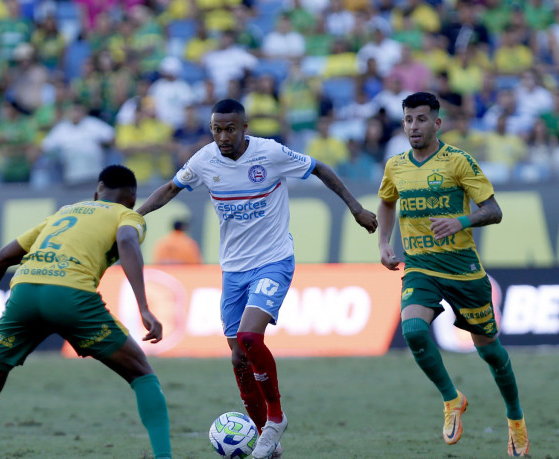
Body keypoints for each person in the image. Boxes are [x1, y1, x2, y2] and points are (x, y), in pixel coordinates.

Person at [137, 99, 377, 459]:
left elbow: (320, 169)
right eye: (216, 129)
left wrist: (356, 208)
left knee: (250, 336)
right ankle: (270, 441)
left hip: (273, 260)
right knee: (237, 358)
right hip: (233, 269)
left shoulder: (270, 153)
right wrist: (135, 217)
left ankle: (275, 419)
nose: (222, 136)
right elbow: (170, 189)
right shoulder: (204, 160)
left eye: (230, 128)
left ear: (245, 127)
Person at [0, 165, 172, 459]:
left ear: (96, 192)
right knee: (142, 374)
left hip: (24, 295)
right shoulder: (128, 216)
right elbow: (125, 241)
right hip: (70, 296)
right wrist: (144, 307)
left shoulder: (64, 213)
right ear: (132, 199)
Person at [376, 92, 529, 456]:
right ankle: (452, 398)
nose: (414, 126)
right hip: (420, 268)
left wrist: (460, 220)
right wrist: (383, 243)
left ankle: (516, 420)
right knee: (412, 330)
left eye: (421, 119)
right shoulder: (395, 165)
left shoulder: (458, 162)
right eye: (409, 119)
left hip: (463, 271)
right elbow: (385, 202)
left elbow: (493, 210)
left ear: (437, 123)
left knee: (491, 353)